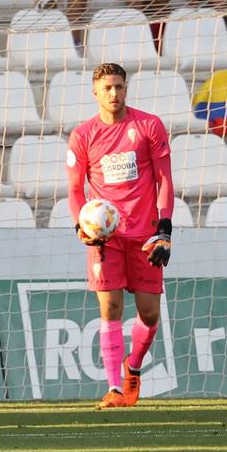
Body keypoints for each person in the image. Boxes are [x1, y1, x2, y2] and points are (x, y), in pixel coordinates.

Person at [67, 62, 174, 409]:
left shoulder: (148, 126)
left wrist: (165, 229)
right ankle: (114, 388)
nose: (114, 94)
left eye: (119, 87)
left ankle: (133, 367)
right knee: (110, 308)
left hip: (145, 236)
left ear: (126, 88)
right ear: (95, 92)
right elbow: (74, 189)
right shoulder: (83, 135)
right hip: (106, 237)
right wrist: (81, 225)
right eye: (107, 88)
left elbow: (164, 180)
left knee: (150, 315)